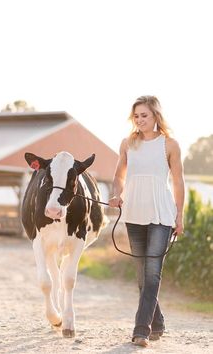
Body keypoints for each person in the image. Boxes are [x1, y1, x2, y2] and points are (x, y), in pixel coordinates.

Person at [109, 95, 185, 347]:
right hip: (133, 214)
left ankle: (141, 329)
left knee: (152, 275)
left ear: (156, 116)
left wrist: (179, 215)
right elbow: (119, 175)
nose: (140, 120)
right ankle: (158, 322)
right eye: (137, 116)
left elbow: (178, 182)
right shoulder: (127, 143)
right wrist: (116, 194)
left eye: (145, 115)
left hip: (162, 216)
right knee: (142, 277)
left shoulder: (170, 145)